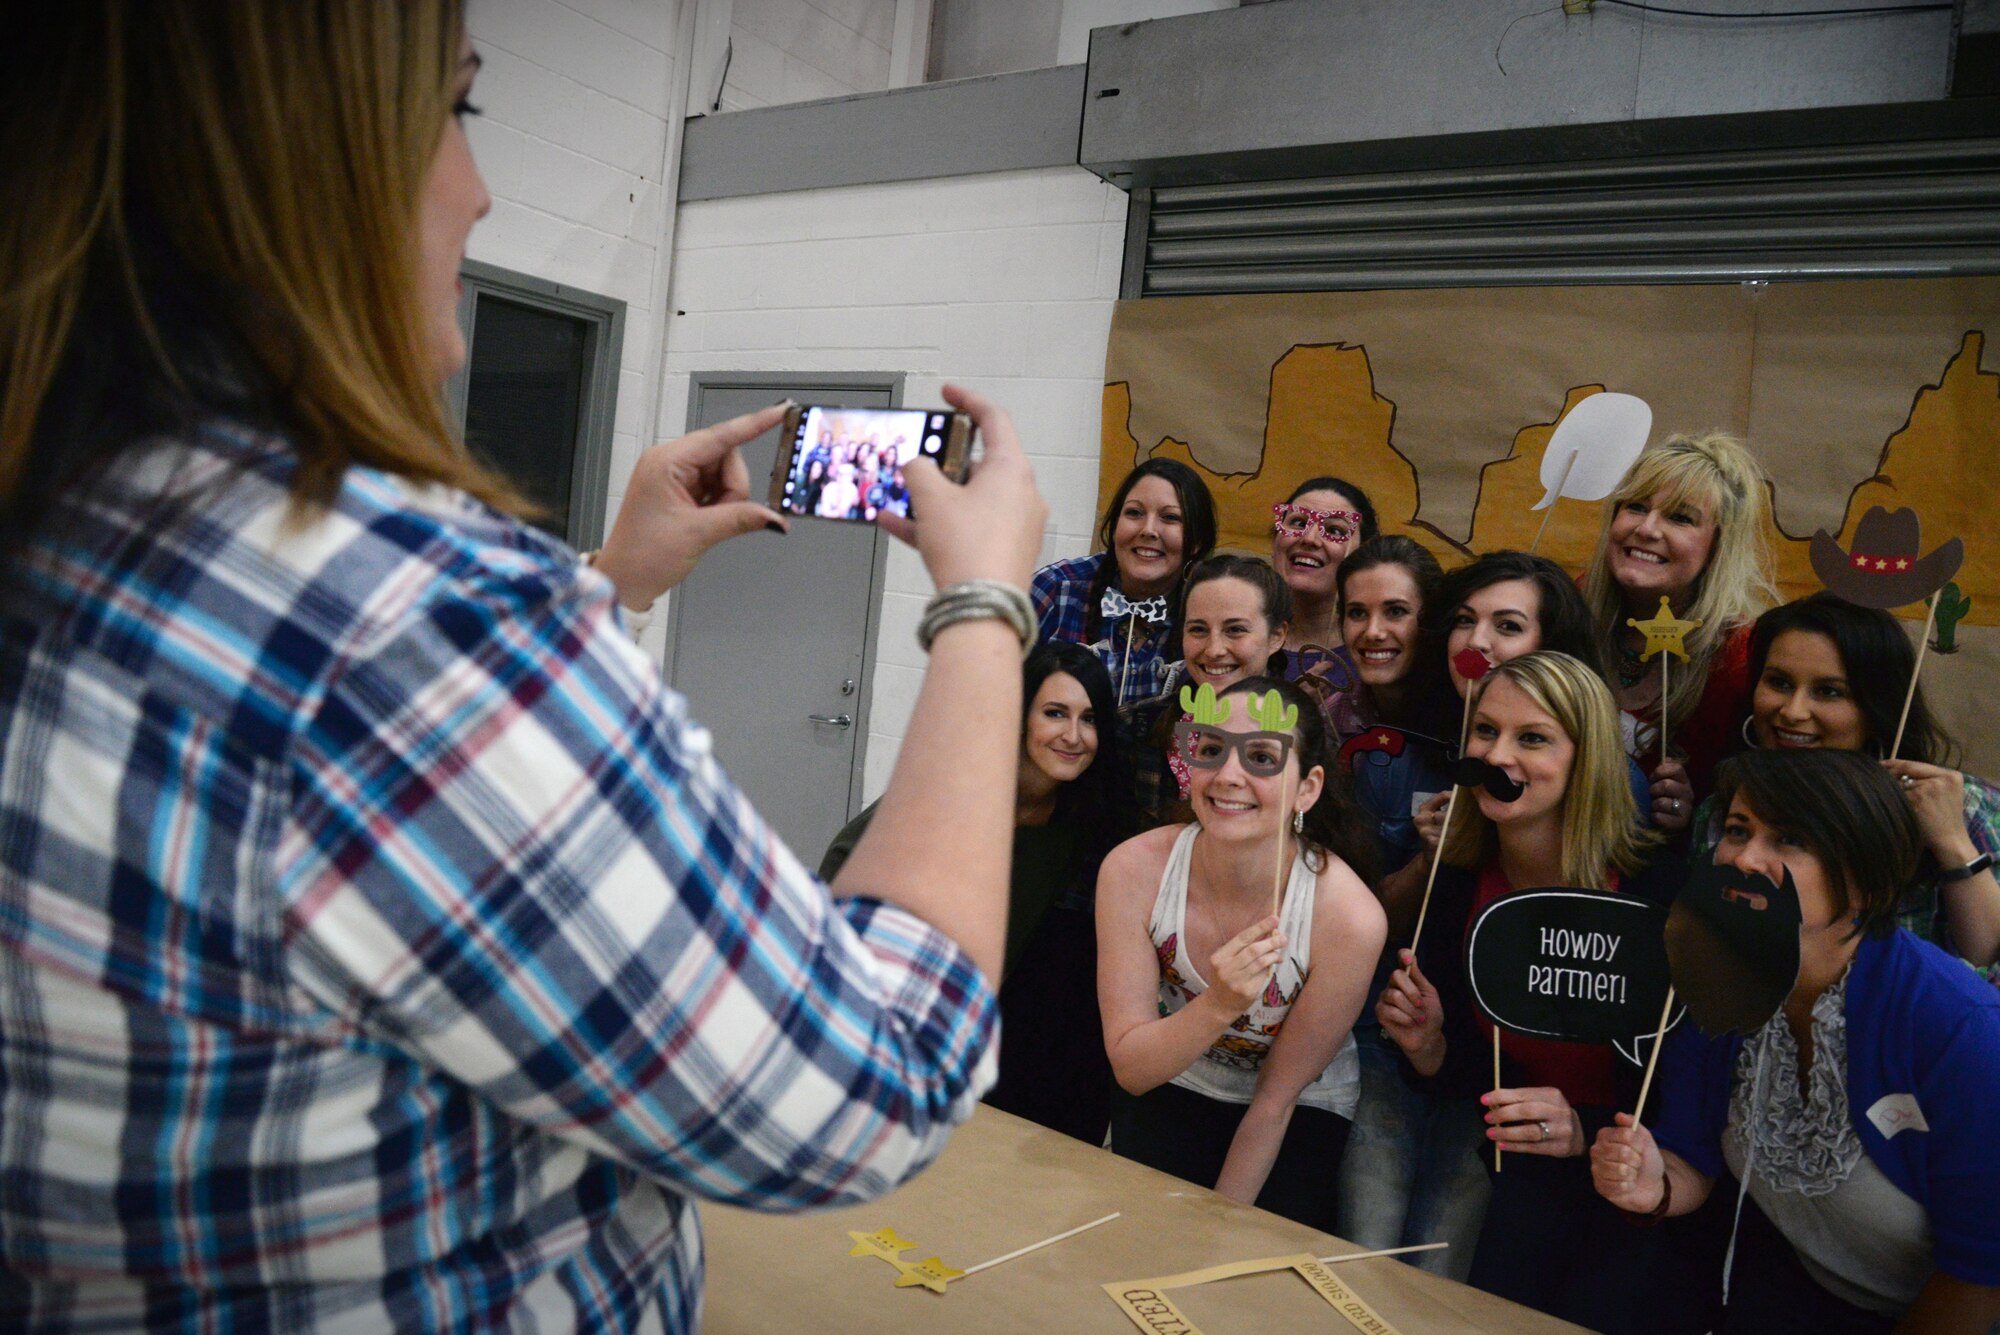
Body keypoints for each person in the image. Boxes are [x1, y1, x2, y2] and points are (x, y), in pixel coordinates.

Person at [0, 6, 1049, 1329]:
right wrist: (983, 598)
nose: (477, 188)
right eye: (457, 110)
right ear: (293, 162)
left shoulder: (76, 525)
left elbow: (333, 833)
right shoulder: (399, 620)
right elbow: (875, 1080)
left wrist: (612, 580)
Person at [1594, 749, 2000, 1335]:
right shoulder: (1715, 976)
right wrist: (1651, 1185)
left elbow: (1983, 1274)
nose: (1744, 858)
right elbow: (1690, 1157)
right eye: (1737, 830)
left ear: (1865, 876)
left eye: (1789, 839)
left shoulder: (1959, 1027)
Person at [1377, 652, 1685, 1331]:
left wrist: (1589, 1129)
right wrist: (1428, 1046)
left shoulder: (1657, 896)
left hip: (1640, 1181)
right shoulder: (1455, 881)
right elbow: (1465, 1075)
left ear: (1587, 758)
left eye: (1533, 737)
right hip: (1516, 1170)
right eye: (1485, 731)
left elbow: (1697, 1097)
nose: (1498, 754)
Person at [1097, 677, 1384, 1230]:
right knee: (1132, 1231)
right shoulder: (1133, 870)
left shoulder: (1349, 918)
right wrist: (1219, 1002)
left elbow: (1273, 1103)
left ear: (1307, 788)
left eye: (1261, 757)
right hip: (1174, 1070)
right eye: (1210, 750)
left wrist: (1217, 1230)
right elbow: (1132, 1070)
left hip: (1295, 1105)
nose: (1229, 776)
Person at [821, 642, 1122, 1143]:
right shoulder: (955, 788)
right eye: (1054, 713)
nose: (1073, 736)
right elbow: (844, 864)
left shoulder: (1083, 813)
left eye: (1089, 719)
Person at [1688, 592, 2000, 981]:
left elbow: (1990, 975)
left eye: (1829, 691)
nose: (1793, 711)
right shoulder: (1723, 814)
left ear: (1876, 707)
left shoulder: (1960, 804)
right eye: (1779, 682)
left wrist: (1953, 844)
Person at [1580, 431, 1776, 808]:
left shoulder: (1741, 660)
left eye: (1680, 518)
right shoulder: (1570, 607)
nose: (1647, 529)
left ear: (1718, 546)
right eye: (1635, 506)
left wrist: (1697, 807)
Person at [1114, 554, 1291, 835]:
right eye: (1198, 629)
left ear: (1277, 636)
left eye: (1235, 630)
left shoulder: (1304, 732)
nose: (1213, 649)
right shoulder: (1135, 726)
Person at [1032, 458, 1218, 708]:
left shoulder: (1208, 610)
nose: (1149, 530)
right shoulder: (1057, 587)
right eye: (1134, 513)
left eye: (1170, 517)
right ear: (1114, 525)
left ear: (1196, 542)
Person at [1272, 475, 1377, 673]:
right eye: (1298, 523)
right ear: (1274, 543)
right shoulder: (1231, 636)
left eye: (1335, 531)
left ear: (1362, 554)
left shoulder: (1376, 649)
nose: (1309, 538)